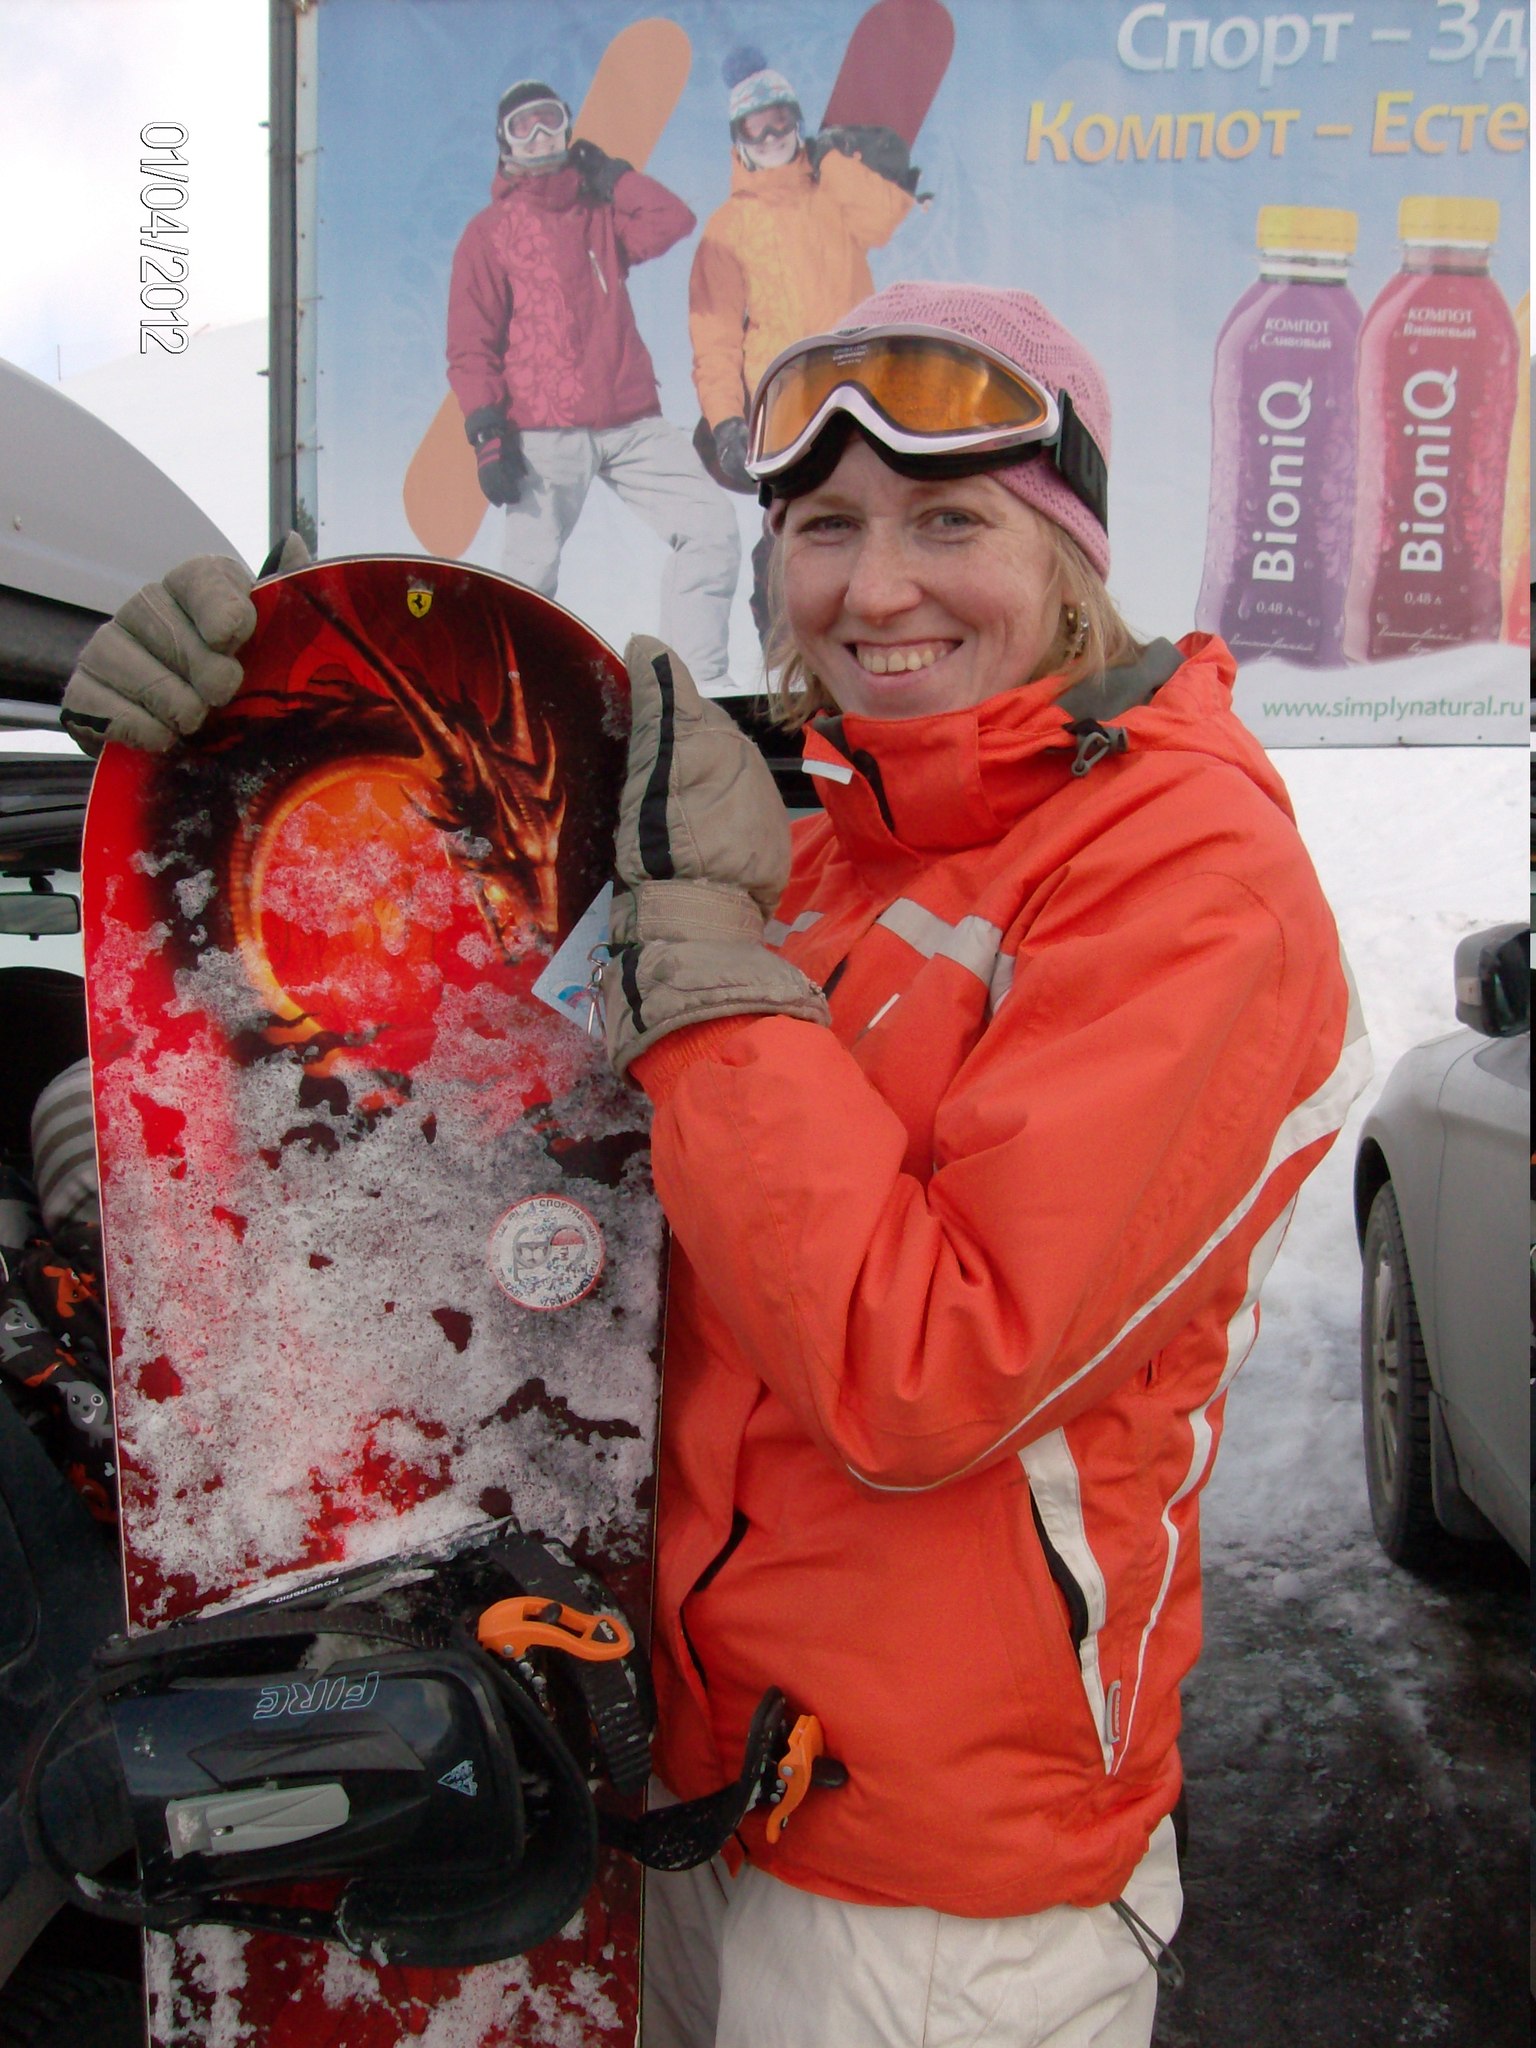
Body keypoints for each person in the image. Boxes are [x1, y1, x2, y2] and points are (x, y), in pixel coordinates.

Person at [62, 282, 1365, 2048]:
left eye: (948, 522)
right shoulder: (828, 848)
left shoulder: (1188, 877)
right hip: (695, 1783)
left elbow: (924, 1375)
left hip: (936, 1890)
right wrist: (246, 747)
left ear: (1070, 556)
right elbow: (545, 1145)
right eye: (823, 527)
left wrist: (710, 964)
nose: (874, 588)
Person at [448, 79, 741, 692]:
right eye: (523, 126)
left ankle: (697, 690)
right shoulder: (487, 233)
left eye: (549, 120)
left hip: (630, 418)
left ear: (568, 126)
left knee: (710, 527)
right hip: (543, 430)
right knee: (529, 573)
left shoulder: (600, 214)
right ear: (504, 142)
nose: (538, 136)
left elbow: (672, 220)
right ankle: (511, 697)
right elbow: (471, 344)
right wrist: (486, 432)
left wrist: (615, 176)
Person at [690, 47, 921, 647]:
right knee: (796, 529)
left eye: (780, 122)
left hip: (863, 390)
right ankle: (784, 660)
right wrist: (726, 422)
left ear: (797, 122)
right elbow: (714, 336)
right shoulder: (728, 226)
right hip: (786, 404)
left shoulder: (833, 191)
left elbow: (882, 219)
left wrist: (835, 162)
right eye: (755, 128)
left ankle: (878, 641)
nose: (770, 137)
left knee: (874, 515)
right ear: (738, 139)